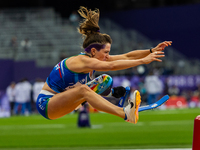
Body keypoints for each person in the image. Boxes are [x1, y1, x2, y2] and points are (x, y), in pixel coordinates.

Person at [36, 6, 172, 124]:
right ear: (94, 51)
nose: (107, 56)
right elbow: (112, 66)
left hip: (63, 101)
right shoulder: (82, 61)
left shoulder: (94, 60)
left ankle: (121, 109)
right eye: (106, 52)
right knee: (84, 90)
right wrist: (143, 61)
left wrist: (150, 50)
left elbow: (127, 56)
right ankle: (125, 113)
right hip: (47, 103)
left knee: (104, 81)